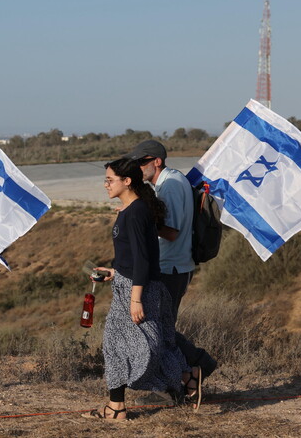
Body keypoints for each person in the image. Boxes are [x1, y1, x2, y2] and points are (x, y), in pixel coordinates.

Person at [84, 158, 198, 421]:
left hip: (137, 290)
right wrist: (114, 272)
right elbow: (134, 257)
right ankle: (186, 375)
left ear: (127, 181)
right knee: (146, 343)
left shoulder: (135, 212)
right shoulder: (131, 210)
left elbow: (144, 260)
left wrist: (135, 299)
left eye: (110, 180)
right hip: (132, 284)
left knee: (120, 345)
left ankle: (117, 408)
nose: (105, 185)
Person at [123, 140, 217, 390]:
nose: (137, 167)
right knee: (158, 328)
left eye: (141, 162)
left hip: (171, 268)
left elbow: (171, 231)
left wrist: (138, 221)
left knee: (155, 329)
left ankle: (196, 365)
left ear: (157, 161)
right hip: (170, 266)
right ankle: (183, 378)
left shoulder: (171, 185)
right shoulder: (165, 183)